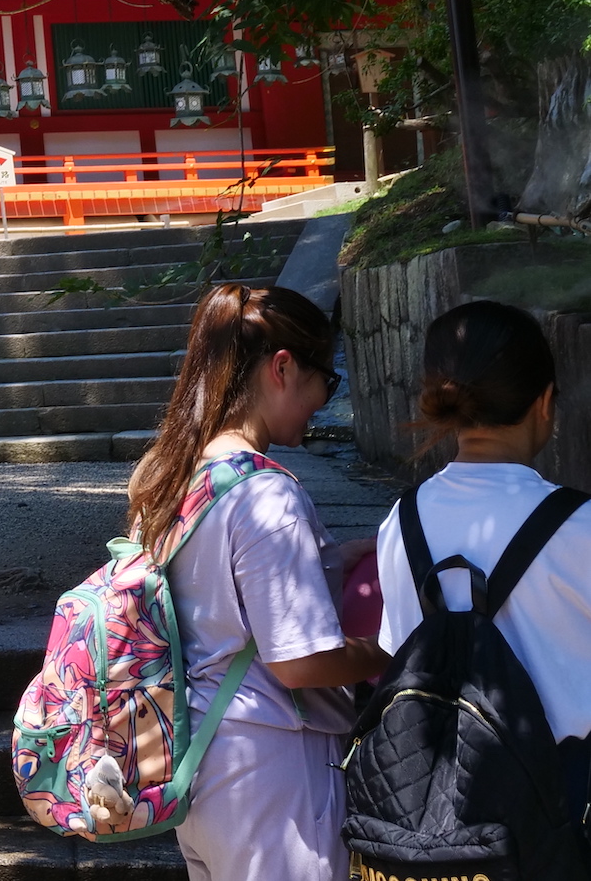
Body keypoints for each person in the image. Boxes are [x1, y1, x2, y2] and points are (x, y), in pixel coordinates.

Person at [125, 282, 387, 881]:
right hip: (273, 767)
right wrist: (391, 651)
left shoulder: (170, 478)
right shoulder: (268, 495)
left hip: (196, 759)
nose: (324, 397)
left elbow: (220, 588)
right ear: (283, 367)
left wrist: (337, 555)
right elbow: (300, 661)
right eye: (326, 378)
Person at [373, 301, 591, 852]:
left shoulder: (400, 523)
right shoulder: (580, 526)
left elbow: (394, 651)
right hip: (566, 799)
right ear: (545, 403)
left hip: (425, 806)